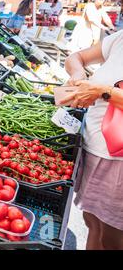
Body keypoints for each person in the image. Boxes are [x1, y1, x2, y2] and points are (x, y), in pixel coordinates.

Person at [61, 30, 123, 250]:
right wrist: (78, 73)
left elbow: (105, 91)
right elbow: (76, 57)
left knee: (113, 237)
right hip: (94, 149)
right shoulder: (119, 38)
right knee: (93, 224)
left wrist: (102, 91)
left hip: (118, 162)